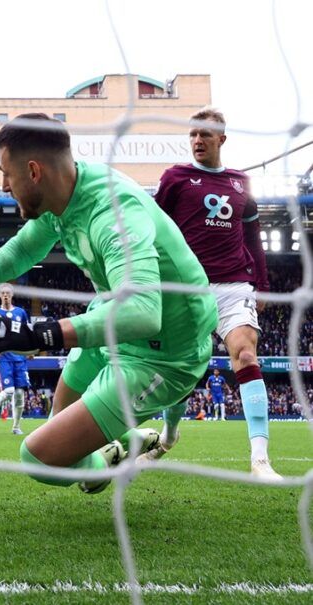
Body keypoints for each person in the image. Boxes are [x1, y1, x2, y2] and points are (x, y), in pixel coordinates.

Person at [0, 113, 217, 493]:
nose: (3, 186)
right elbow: (29, 243)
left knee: (41, 458)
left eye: (5, 174)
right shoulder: (64, 195)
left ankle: (104, 460)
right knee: (61, 436)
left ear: (33, 171)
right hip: (109, 324)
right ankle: (115, 452)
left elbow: (144, 312)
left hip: (164, 353)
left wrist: (42, 334)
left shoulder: (114, 211)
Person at [149, 107, 279, 479]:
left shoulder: (241, 183)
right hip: (187, 288)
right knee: (183, 371)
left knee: (245, 354)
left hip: (233, 285)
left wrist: (263, 283)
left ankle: (260, 459)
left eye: (205, 135)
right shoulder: (176, 178)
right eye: (192, 135)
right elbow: (156, 227)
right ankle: (169, 436)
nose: (197, 141)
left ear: (221, 138)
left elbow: (253, 237)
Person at [0, 283, 32, 435]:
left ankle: (16, 426)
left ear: (12, 295)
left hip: (20, 358)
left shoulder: (21, 312)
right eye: (3, 293)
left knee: (20, 395)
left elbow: (28, 331)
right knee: (8, 391)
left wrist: (31, 349)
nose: (6, 295)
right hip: (5, 357)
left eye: (8, 293)